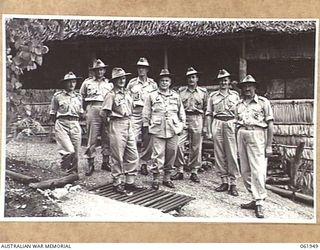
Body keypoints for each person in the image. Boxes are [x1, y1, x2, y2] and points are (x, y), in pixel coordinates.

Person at [235, 74, 274, 219]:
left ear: (255, 87)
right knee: (245, 171)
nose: (247, 88)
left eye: (250, 85)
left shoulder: (263, 103)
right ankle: (254, 197)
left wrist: (269, 145)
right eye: (245, 86)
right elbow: (236, 124)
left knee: (258, 170)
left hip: (257, 135)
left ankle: (259, 203)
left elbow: (270, 125)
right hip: (242, 134)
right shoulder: (238, 105)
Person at [100, 67, 143, 194]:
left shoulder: (127, 93)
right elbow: (103, 113)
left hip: (128, 123)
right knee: (117, 156)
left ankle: (129, 182)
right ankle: (117, 183)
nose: (122, 80)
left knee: (133, 154)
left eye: (123, 78)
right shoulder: (111, 95)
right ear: (114, 81)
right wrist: (109, 127)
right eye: (119, 79)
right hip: (116, 124)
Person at [142, 69, 186, 190]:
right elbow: (146, 112)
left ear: (170, 82)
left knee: (171, 153)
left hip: (173, 129)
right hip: (157, 129)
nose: (164, 83)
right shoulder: (152, 96)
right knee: (157, 154)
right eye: (162, 81)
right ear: (158, 82)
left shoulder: (176, 96)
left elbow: (181, 112)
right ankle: (156, 177)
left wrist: (182, 125)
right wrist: (146, 126)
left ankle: (167, 177)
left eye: (167, 81)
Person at [206, 69, 240, 196]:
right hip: (217, 123)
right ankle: (224, 181)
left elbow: (239, 113)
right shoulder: (213, 96)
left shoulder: (235, 96)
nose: (223, 83)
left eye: (225, 80)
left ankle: (233, 183)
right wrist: (209, 130)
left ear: (229, 81)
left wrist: (237, 128)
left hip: (231, 124)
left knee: (231, 153)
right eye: (221, 81)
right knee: (219, 153)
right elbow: (209, 114)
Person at [171, 67, 208, 183]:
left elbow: (207, 110)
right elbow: (176, 107)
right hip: (183, 118)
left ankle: (194, 171)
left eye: (193, 77)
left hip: (197, 118)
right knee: (178, 144)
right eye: (189, 77)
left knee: (196, 146)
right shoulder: (181, 91)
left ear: (197, 79)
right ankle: (180, 170)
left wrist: (206, 125)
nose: (191, 79)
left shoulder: (203, 92)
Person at [79, 59, 113, 176]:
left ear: (104, 70)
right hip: (92, 108)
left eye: (102, 69)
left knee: (107, 136)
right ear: (93, 71)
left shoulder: (109, 83)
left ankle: (105, 162)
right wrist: (83, 110)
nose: (100, 72)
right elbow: (81, 97)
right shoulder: (87, 83)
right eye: (97, 70)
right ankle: (91, 163)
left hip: (106, 109)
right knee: (91, 138)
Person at [126, 57, 158, 175]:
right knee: (132, 139)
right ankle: (132, 164)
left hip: (148, 114)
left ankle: (144, 163)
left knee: (148, 140)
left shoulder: (153, 84)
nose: (141, 70)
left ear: (147, 69)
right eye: (139, 67)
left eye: (143, 68)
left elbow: (156, 98)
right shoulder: (132, 83)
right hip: (135, 114)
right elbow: (126, 98)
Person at [49, 72, 84, 177]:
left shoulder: (78, 97)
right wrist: (58, 125)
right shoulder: (58, 96)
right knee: (69, 151)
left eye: (73, 81)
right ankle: (64, 169)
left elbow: (81, 113)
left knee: (76, 152)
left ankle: (72, 174)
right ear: (64, 84)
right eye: (69, 82)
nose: (71, 84)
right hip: (62, 123)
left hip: (75, 123)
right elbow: (53, 114)